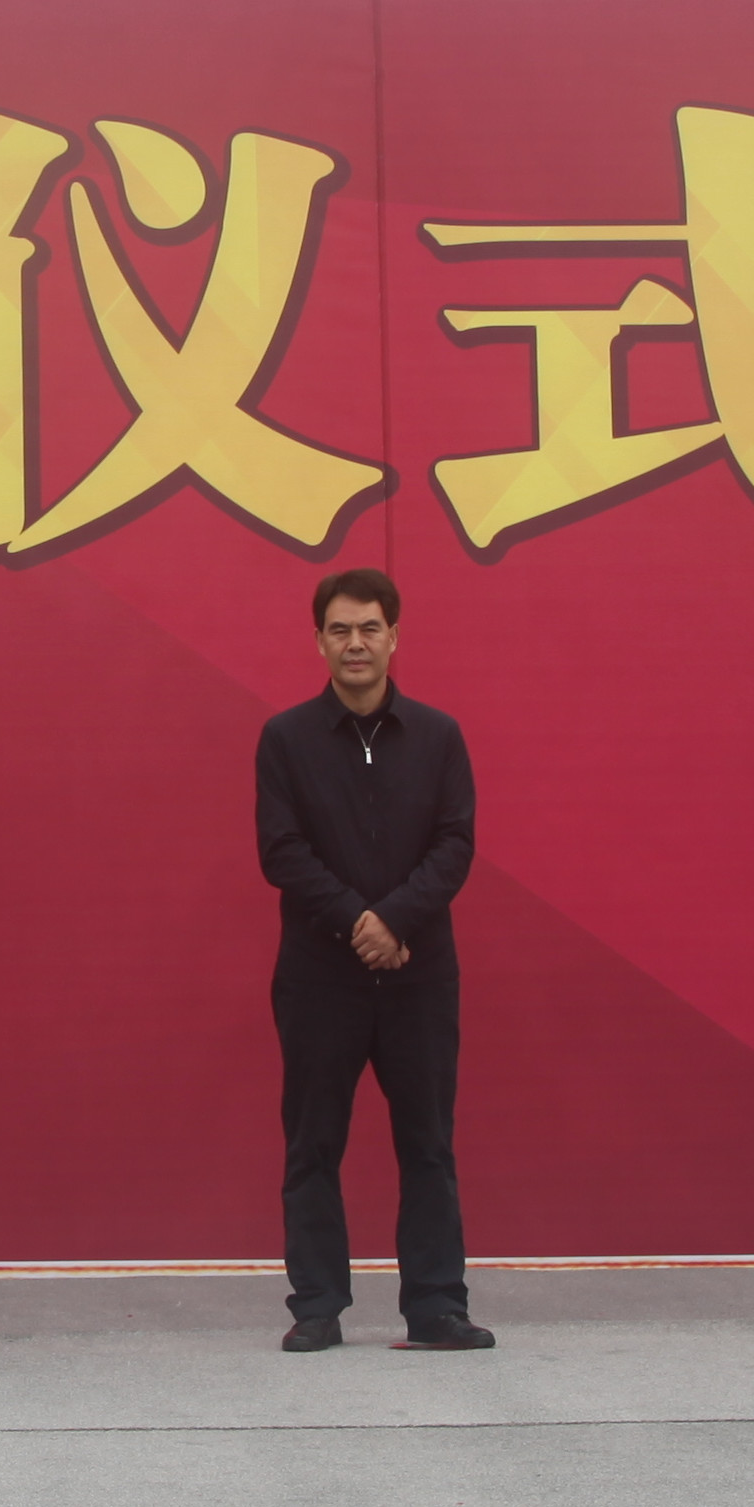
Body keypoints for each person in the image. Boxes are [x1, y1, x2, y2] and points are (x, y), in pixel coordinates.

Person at [253, 565, 487, 1351]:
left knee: (428, 1144)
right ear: (319, 641)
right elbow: (282, 850)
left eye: (370, 629)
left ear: (394, 637)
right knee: (313, 1144)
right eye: (340, 630)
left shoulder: (439, 736)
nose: (356, 644)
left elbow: (455, 844)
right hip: (320, 976)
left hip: (420, 974)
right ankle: (318, 1305)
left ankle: (437, 1306)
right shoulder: (285, 739)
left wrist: (395, 919)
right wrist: (359, 920)